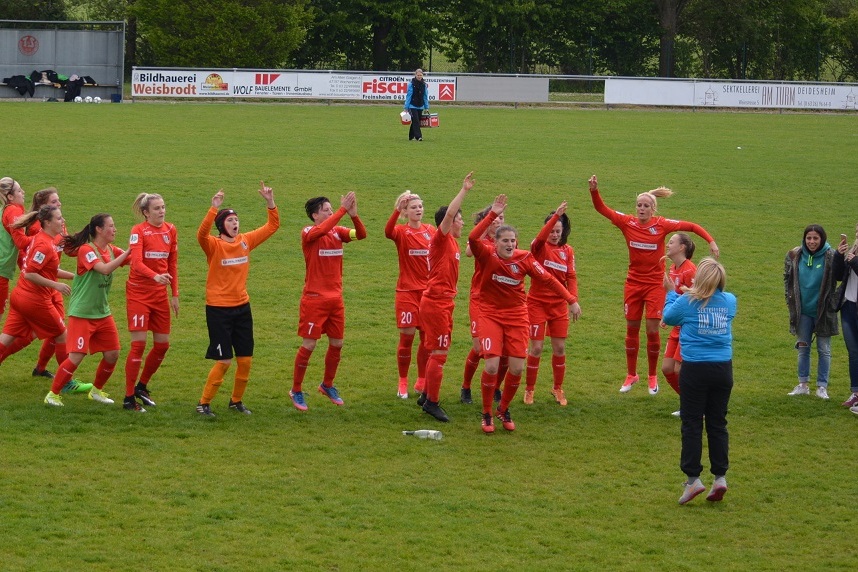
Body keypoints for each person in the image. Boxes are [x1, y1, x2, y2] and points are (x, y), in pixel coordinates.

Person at [588, 174, 719, 395]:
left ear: (653, 209)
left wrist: (711, 241)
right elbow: (602, 209)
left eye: (646, 205)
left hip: (655, 286)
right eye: (639, 205)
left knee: (651, 330)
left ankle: (651, 375)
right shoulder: (627, 222)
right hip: (633, 284)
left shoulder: (661, 225)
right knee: (631, 328)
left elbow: (692, 226)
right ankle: (631, 374)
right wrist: (594, 191)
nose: (641, 208)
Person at [470, 195, 578, 434]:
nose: (509, 244)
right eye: (505, 240)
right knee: (491, 366)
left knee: (517, 367)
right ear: (495, 243)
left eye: (513, 241)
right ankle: (487, 413)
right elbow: (471, 237)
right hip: (490, 315)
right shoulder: (486, 255)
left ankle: (503, 409)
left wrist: (571, 300)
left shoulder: (525, 258)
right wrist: (491, 214)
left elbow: (549, 280)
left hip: (517, 316)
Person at [196, 183, 279, 417]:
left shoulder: (245, 241)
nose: (235, 224)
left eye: (237, 220)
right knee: (223, 361)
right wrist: (213, 208)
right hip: (219, 310)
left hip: (242, 308)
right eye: (230, 221)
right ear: (222, 225)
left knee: (245, 360)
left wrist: (270, 202)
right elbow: (200, 234)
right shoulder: (213, 245)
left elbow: (273, 226)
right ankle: (203, 404)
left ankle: (236, 401)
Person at [663, 258, 736, 505]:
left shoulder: (687, 302)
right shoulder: (730, 301)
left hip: (695, 368)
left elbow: (670, 317)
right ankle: (720, 477)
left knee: (692, 423)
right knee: (718, 423)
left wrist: (672, 293)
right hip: (723, 369)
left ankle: (693, 479)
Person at [290, 191, 367, 411]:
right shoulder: (308, 232)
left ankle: (327, 385)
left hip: (336, 300)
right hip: (314, 300)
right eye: (327, 209)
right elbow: (322, 229)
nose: (331, 212)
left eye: (332, 209)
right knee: (310, 344)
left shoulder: (338, 232)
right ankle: (296, 389)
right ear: (315, 215)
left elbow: (361, 234)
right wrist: (343, 210)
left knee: (337, 344)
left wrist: (353, 215)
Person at [45, 214, 131, 407]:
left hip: (102, 312)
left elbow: (133, 259)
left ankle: (96, 391)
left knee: (113, 353)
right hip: (82, 313)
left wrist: (144, 249)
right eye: (111, 226)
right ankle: (53, 394)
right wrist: (128, 252)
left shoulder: (110, 249)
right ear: (99, 229)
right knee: (77, 356)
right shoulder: (86, 250)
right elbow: (104, 269)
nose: (115, 229)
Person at [415, 172, 475, 422]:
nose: (462, 223)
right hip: (437, 303)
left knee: (433, 351)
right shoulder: (441, 239)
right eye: (461, 220)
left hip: (443, 303)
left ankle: (426, 395)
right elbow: (449, 215)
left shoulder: (455, 244)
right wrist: (464, 190)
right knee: (440, 353)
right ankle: (432, 402)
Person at [0, 206, 74, 394]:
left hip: (20, 296)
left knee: (6, 339)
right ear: (47, 222)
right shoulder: (43, 244)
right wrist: (56, 285)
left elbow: (48, 270)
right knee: (61, 334)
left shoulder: (45, 239)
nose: (62, 220)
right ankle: (66, 382)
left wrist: (75, 277)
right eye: (58, 218)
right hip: (34, 299)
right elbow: (31, 273)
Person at [123, 193, 179, 412]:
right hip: (139, 294)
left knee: (162, 345)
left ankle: (141, 386)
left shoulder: (170, 230)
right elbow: (135, 263)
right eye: (156, 208)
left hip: (159, 296)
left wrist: (174, 293)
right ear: (146, 212)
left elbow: (172, 261)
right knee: (138, 345)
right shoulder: (138, 231)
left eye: (163, 207)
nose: (162, 211)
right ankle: (128, 398)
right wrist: (155, 276)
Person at [524, 202, 581, 406]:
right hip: (537, 303)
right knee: (536, 348)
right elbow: (540, 237)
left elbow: (571, 277)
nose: (555, 234)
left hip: (558, 307)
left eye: (558, 230)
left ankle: (557, 388)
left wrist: (573, 300)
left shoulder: (568, 251)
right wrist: (555, 216)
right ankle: (529, 390)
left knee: (559, 348)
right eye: (552, 230)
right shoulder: (538, 247)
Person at [384, 191, 435, 399]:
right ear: (405, 211)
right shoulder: (400, 231)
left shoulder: (431, 231)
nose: (418, 210)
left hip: (428, 293)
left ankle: (422, 379)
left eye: (420, 206)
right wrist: (396, 210)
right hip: (406, 292)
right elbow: (387, 232)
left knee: (426, 339)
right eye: (413, 207)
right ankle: (403, 380)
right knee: (406, 338)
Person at [784, 224, 839, 400]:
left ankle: (822, 387)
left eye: (816, 238)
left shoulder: (831, 256)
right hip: (803, 311)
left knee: (824, 349)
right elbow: (787, 277)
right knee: (803, 348)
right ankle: (803, 384)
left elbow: (840, 277)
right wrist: (790, 299)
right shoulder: (795, 254)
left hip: (823, 311)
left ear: (822, 239)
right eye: (809, 238)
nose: (812, 242)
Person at [461, 204, 506, 404]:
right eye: (494, 218)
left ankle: (495, 387)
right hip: (479, 299)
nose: (498, 221)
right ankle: (466, 387)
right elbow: (469, 252)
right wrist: (485, 226)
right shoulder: (480, 240)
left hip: (500, 301)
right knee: (480, 349)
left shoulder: (506, 241)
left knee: (503, 350)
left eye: (501, 218)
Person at [660, 233, 697, 416]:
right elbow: (672, 297)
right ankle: (690, 403)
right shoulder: (673, 268)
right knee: (667, 369)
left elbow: (695, 298)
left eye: (672, 242)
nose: (668, 244)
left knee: (679, 369)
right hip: (677, 326)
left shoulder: (690, 270)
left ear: (682, 247)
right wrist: (666, 316)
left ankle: (693, 405)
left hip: (687, 328)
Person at [836, 224, 858, 410]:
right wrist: (839, 256)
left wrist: (854, 262)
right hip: (848, 306)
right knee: (854, 353)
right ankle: (856, 393)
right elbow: (837, 276)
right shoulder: (852, 253)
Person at [0, 177, 27, 317]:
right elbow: (21, 242)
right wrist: (44, 239)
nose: (23, 192)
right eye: (19, 190)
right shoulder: (13, 211)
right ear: (10, 196)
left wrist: (25, 267)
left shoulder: (4, 210)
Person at [403, 69, 429, 142]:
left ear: (422, 75)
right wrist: (406, 107)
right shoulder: (411, 84)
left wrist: (426, 107)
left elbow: (425, 96)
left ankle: (411, 136)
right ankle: (418, 137)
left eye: (420, 75)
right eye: (418, 75)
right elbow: (409, 96)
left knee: (415, 121)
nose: (419, 76)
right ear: (415, 75)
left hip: (420, 106)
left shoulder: (424, 85)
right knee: (416, 121)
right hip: (412, 106)